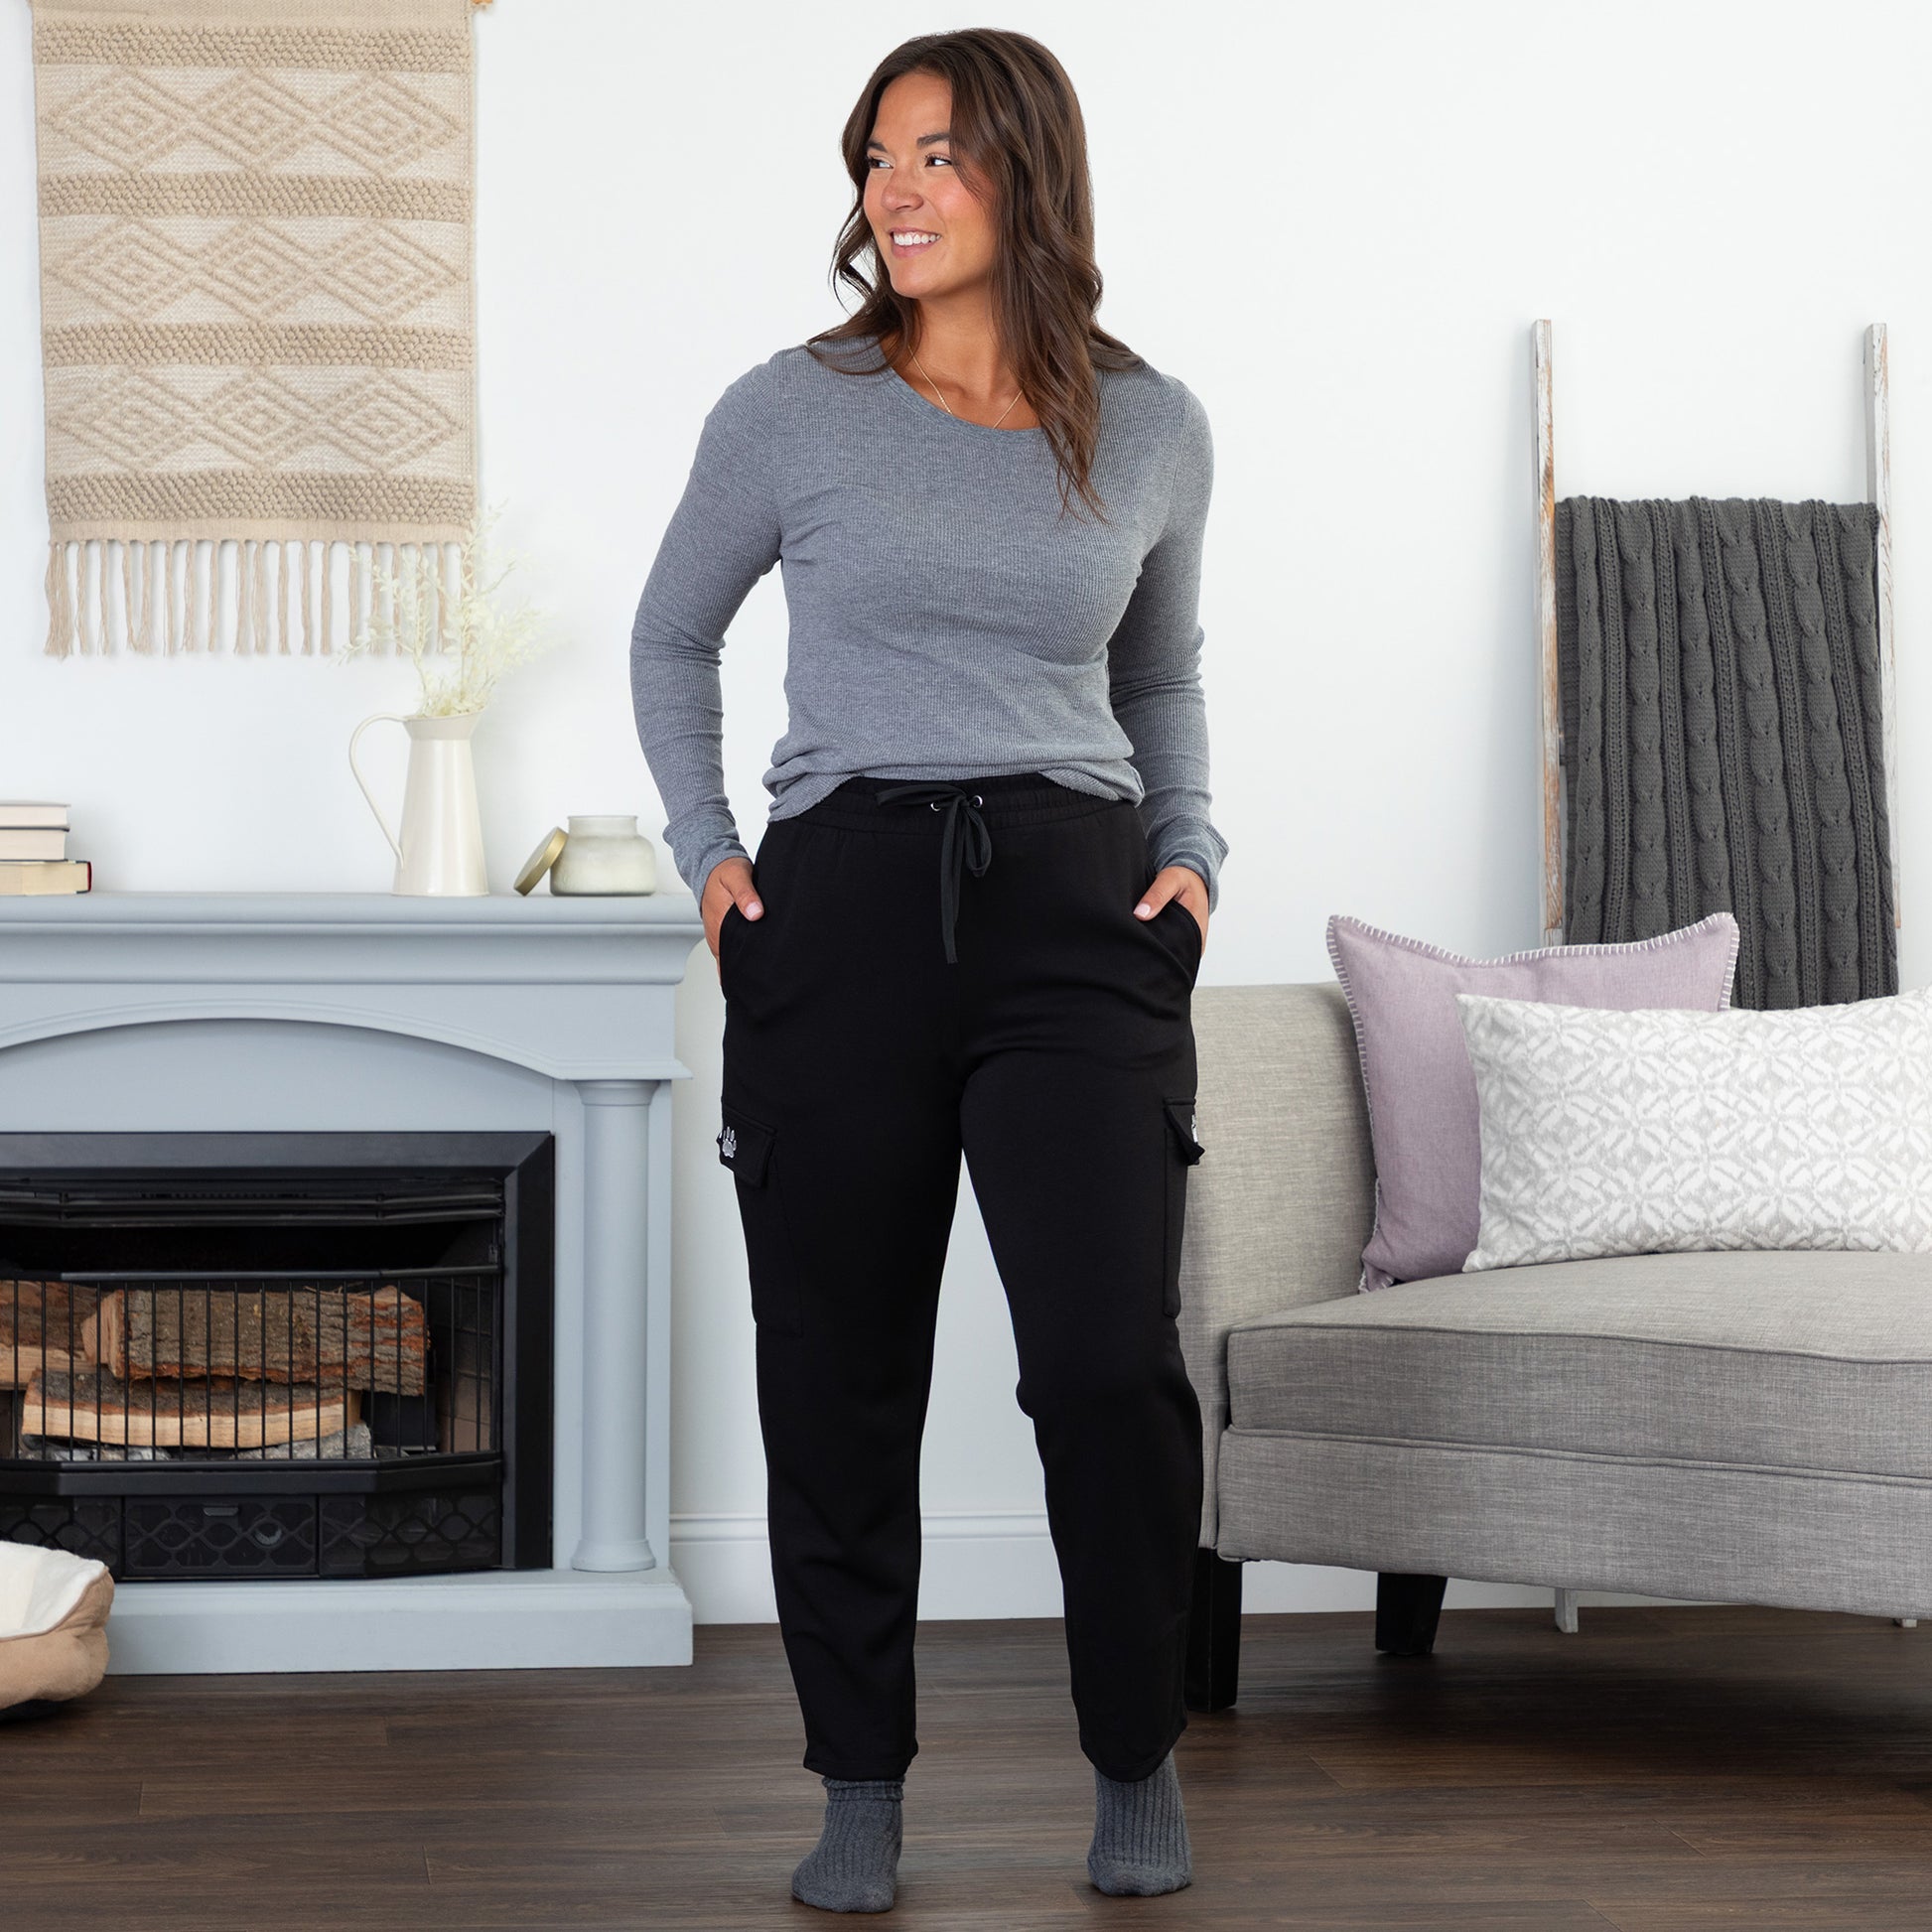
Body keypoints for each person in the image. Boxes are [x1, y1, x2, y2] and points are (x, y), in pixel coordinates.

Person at [629, 26, 1229, 1914]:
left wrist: (1190, 857)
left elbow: (1157, 675)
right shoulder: (786, 410)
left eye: (941, 155)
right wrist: (718, 870)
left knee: (1103, 1369)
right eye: (878, 157)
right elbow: (669, 644)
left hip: (1073, 912)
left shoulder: (1149, 424)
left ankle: (1133, 1761)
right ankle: (860, 1785)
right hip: (843, 909)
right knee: (834, 1366)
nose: (894, 189)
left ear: (1027, 176)